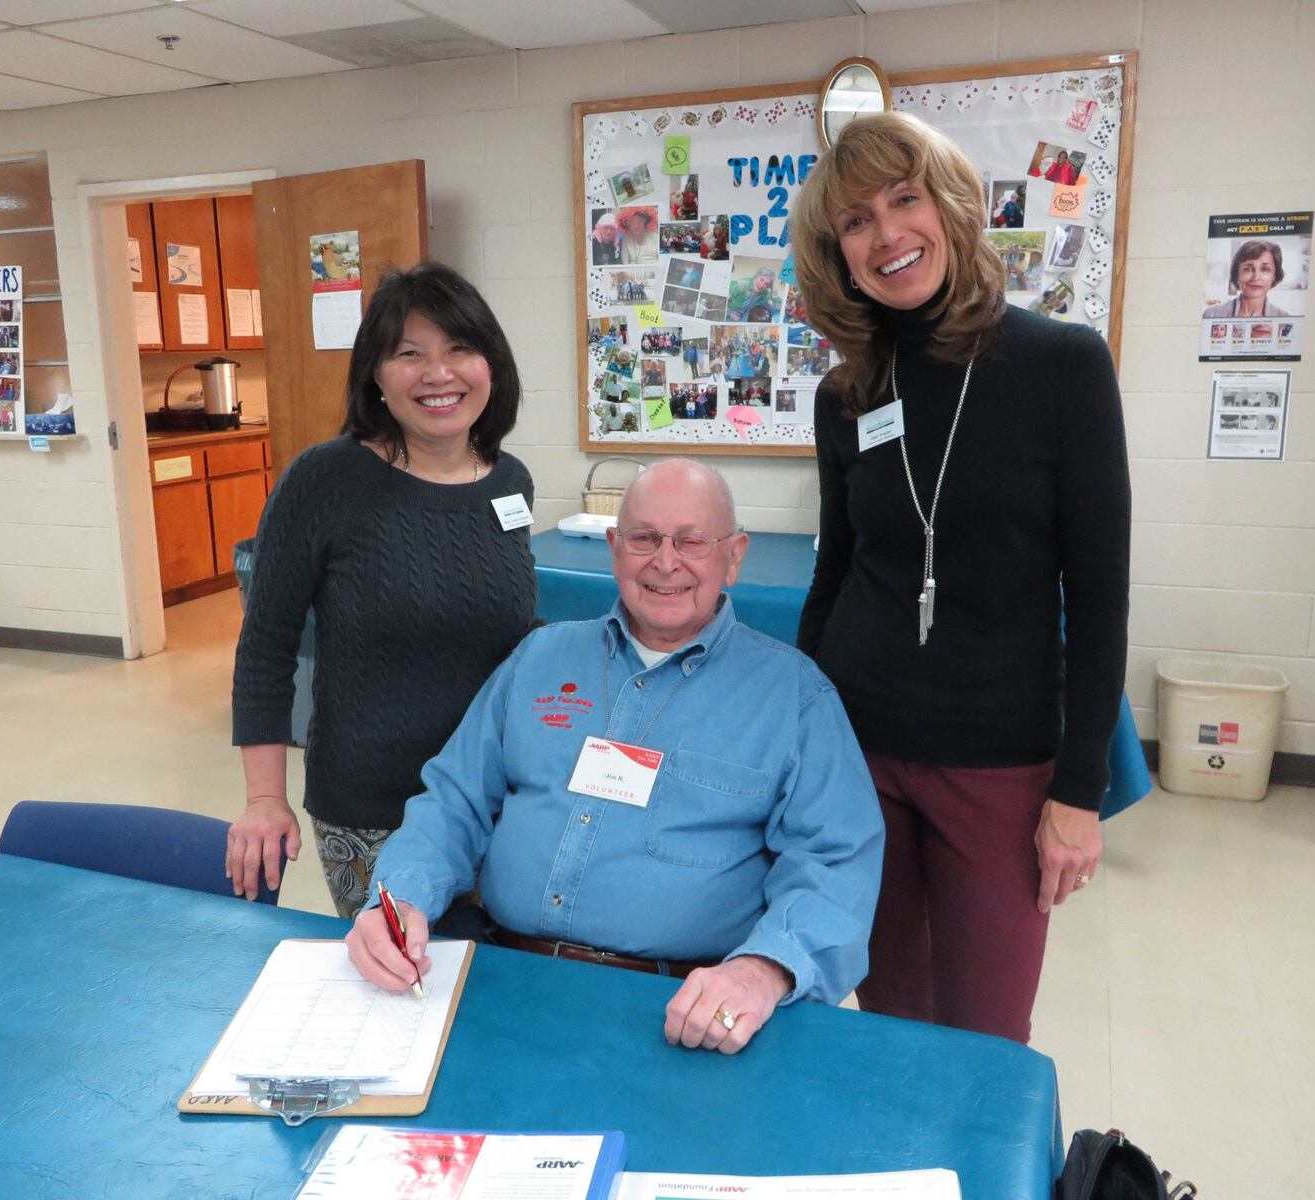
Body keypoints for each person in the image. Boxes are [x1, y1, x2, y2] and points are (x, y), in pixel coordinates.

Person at [346, 460, 884, 1054]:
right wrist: (400, 901)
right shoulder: (539, 658)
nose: (665, 561)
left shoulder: (795, 697)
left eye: (693, 541)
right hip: (501, 983)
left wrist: (762, 970)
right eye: (644, 538)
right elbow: (453, 801)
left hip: (678, 1014)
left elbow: (836, 861)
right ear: (614, 547)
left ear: (735, 556)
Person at [788, 112, 1130, 1044]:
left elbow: (1101, 595)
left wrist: (1080, 793)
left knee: (985, 1032)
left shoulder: (1062, 365)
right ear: (838, 254)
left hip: (1002, 760)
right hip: (859, 750)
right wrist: (798, 739)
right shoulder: (846, 391)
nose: (887, 234)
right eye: (856, 221)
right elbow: (837, 572)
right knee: (889, 1008)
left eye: (905, 199)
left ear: (951, 206)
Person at [228, 262, 538, 917]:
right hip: (373, 810)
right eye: (409, 353)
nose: (439, 373)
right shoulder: (325, 480)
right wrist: (264, 799)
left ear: (492, 365)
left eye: (460, 348)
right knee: (401, 990)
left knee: (500, 988)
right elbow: (265, 647)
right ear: (376, 372)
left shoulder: (511, 482)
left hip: (499, 803)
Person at [1202, 239, 1291, 318]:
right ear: (1237, 274)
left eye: (1265, 269)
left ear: (1274, 276)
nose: (1256, 277)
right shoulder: (1212, 315)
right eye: (1247, 269)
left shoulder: (1285, 318)